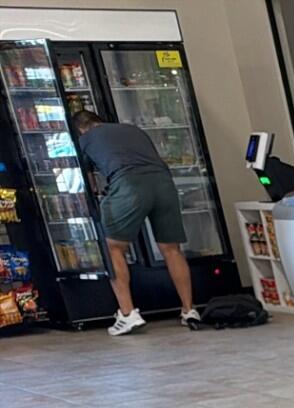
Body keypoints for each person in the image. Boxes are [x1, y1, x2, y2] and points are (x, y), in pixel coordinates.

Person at [68, 108, 200, 335]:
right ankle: (189, 310)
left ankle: (128, 314)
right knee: (171, 249)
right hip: (163, 184)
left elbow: (89, 182)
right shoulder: (131, 129)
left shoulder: (85, 139)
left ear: (80, 129)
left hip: (128, 184)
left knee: (113, 248)